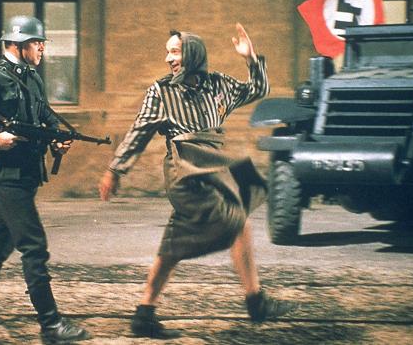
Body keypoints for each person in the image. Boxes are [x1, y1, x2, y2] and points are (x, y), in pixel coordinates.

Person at [99, 23, 298, 338]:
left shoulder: (218, 85)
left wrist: (250, 58)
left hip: (213, 169)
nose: (168, 59)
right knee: (238, 223)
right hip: (186, 171)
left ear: (193, 54)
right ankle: (256, 302)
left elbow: (258, 90)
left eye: (175, 52)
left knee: (176, 242)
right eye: (168, 53)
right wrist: (115, 170)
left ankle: (144, 314)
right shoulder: (161, 91)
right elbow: (138, 133)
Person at [0, 15, 90, 344]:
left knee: (1, 242)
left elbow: (42, 114)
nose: (41, 48)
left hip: (26, 172)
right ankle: (51, 325)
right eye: (36, 43)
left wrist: (57, 137)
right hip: (5, 174)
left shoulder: (31, 78)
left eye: (41, 43)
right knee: (34, 246)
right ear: (17, 44)